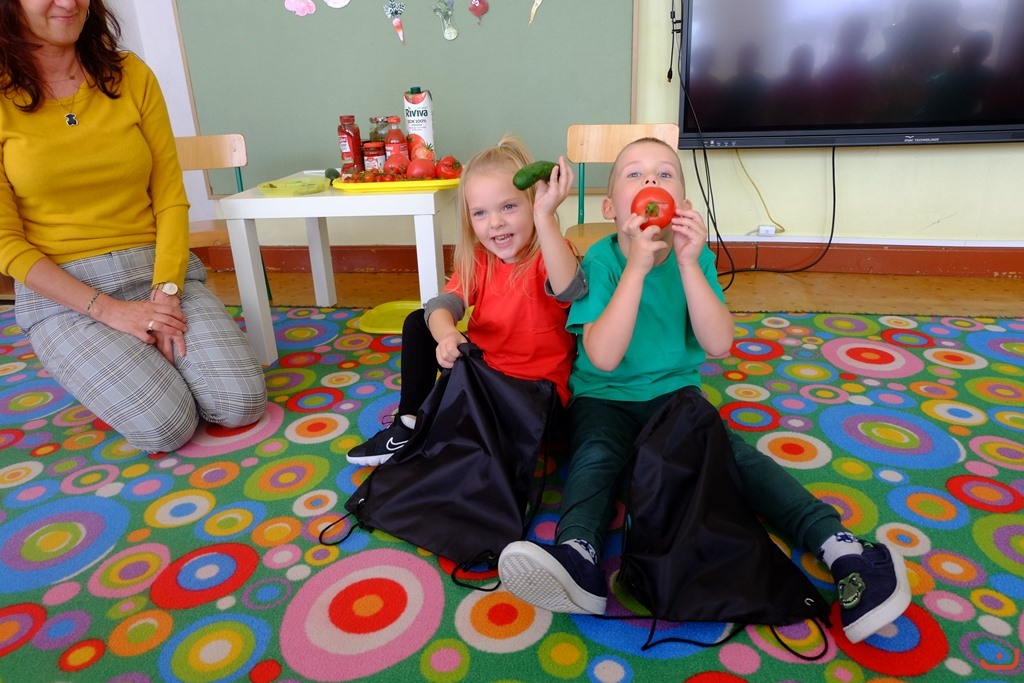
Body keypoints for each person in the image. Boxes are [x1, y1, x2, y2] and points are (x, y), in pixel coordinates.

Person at [497, 137, 911, 644]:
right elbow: (603, 357)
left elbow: (718, 344)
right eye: (634, 174)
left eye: (664, 174)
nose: (651, 181)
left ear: (683, 205)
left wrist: (691, 264)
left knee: (740, 461)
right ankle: (578, 555)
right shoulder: (602, 261)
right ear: (611, 210)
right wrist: (636, 268)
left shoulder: (696, 259)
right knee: (596, 459)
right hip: (603, 398)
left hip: (677, 398)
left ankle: (844, 549)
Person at [0, 0, 267, 453]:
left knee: (241, 403)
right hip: (65, 293)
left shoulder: (130, 74)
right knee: (165, 426)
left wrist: (165, 293)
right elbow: (5, 242)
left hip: (156, 270)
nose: (68, 3)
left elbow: (170, 197)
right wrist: (109, 311)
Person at [345, 135, 585, 466]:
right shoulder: (480, 259)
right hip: (484, 386)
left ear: (535, 202)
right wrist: (446, 335)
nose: (496, 222)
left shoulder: (550, 253)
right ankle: (408, 426)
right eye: (480, 213)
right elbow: (441, 304)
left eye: (509, 207)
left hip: (538, 402)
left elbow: (570, 290)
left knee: (460, 440)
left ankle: (452, 432)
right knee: (418, 323)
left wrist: (545, 219)